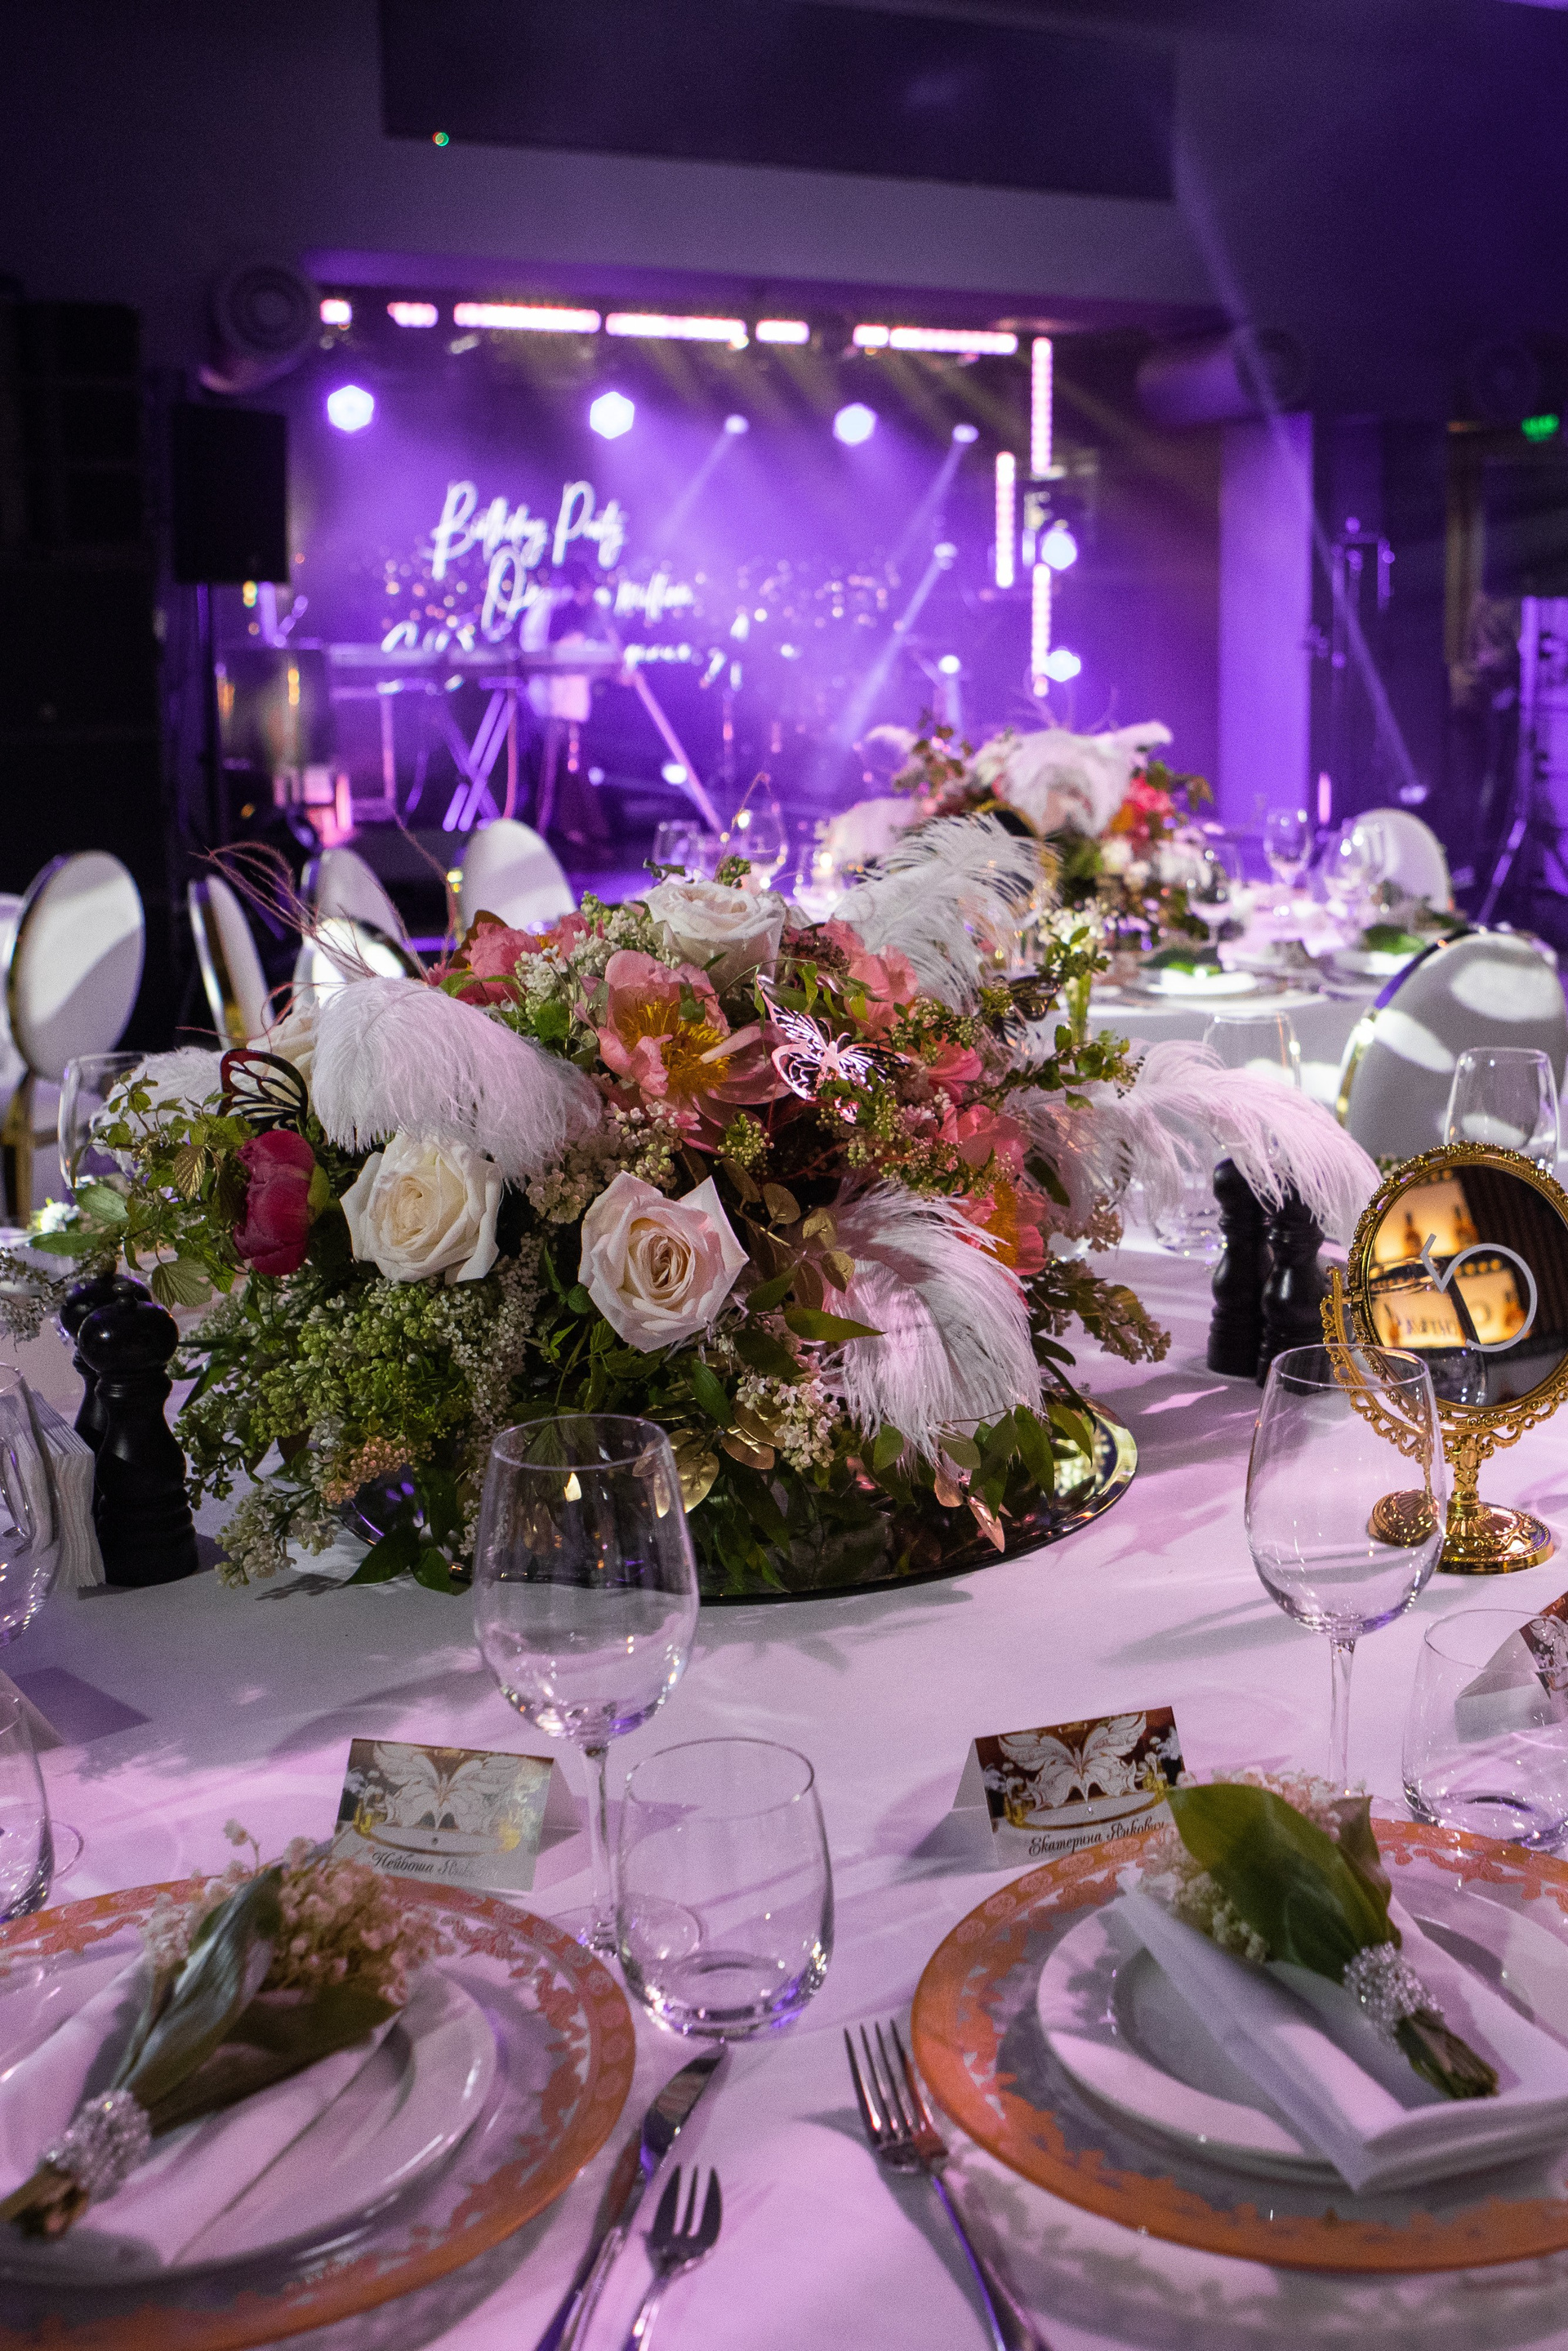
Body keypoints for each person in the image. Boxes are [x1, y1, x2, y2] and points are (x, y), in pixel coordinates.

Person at [521, 563, 613, 843]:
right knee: (552, 774)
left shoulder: (574, 613)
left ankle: (574, 831)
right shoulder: (554, 609)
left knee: (570, 770)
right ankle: (549, 832)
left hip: (567, 708)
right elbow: (543, 652)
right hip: (553, 707)